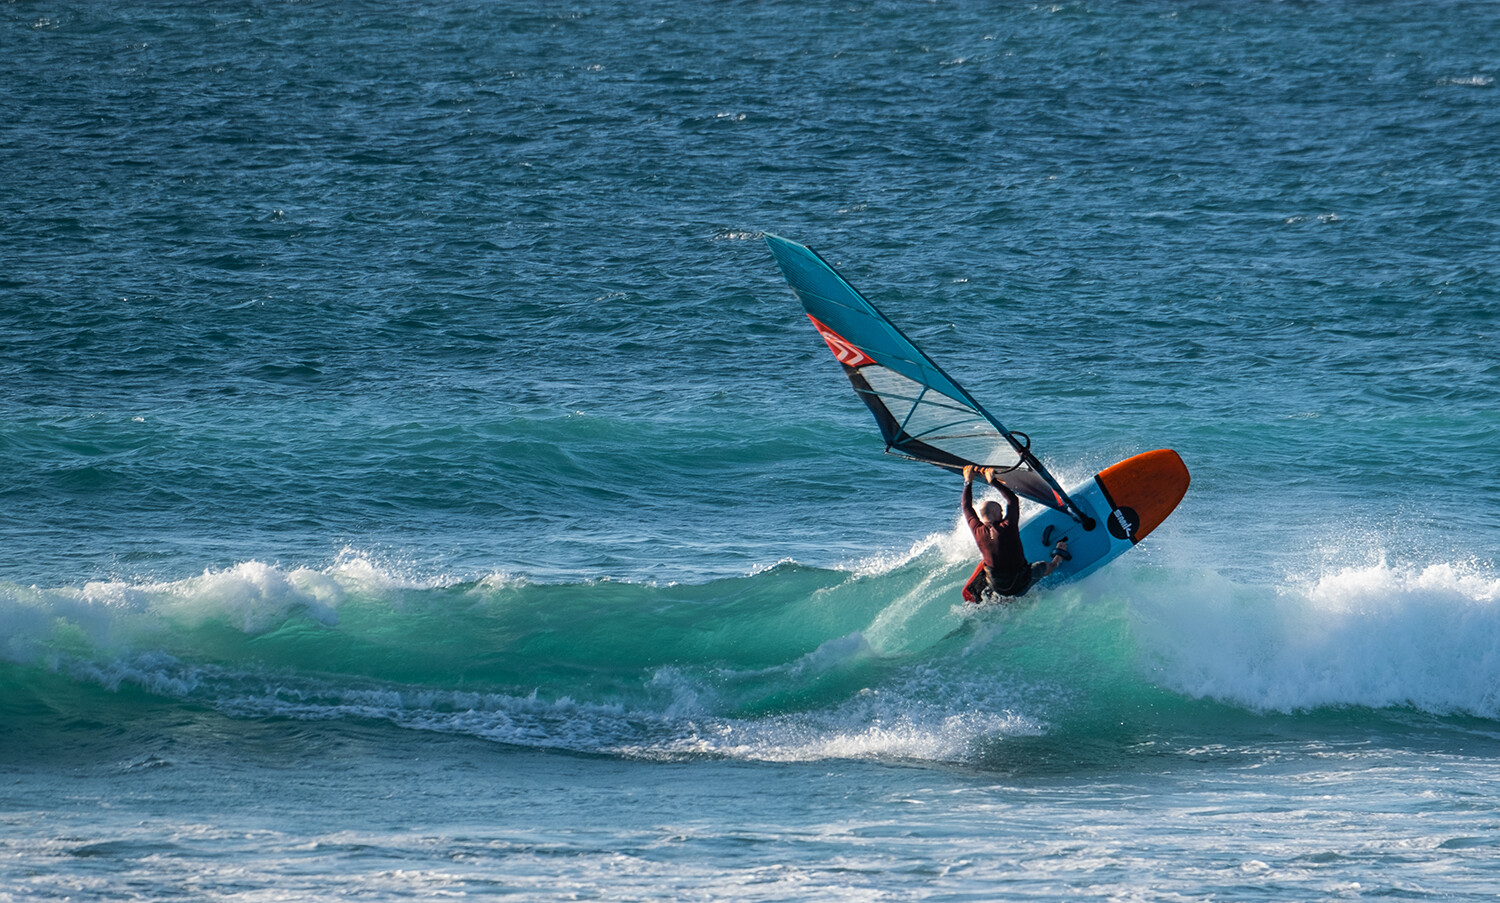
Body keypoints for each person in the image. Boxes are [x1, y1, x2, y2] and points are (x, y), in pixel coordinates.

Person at [960, 464, 1069, 603]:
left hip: (998, 586)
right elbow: (1012, 500)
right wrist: (993, 481)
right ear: (994, 512)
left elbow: (966, 507)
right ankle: (1058, 559)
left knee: (989, 564)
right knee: (1042, 567)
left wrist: (968, 482)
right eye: (1000, 511)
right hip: (1019, 585)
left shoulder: (977, 530)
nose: (1002, 513)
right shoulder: (1007, 526)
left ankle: (996, 598)